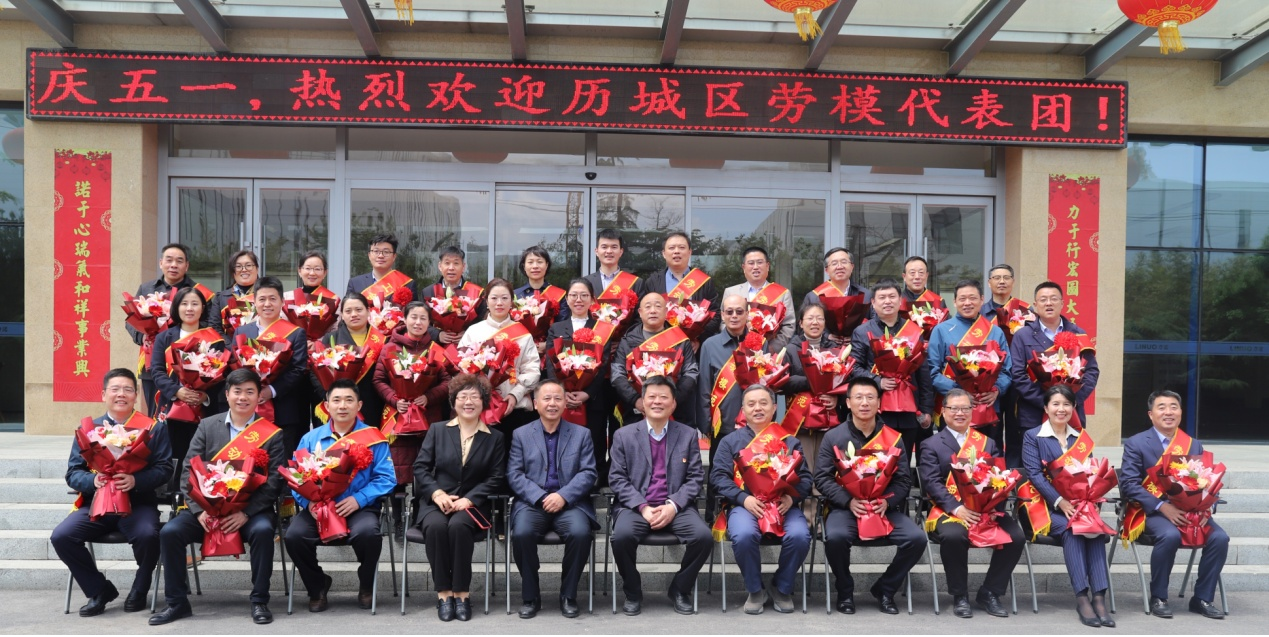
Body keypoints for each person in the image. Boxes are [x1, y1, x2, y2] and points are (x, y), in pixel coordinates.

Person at [150, 368, 286, 626]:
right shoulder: (207, 426)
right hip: (206, 510)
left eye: (250, 392)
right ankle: (177, 603)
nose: (243, 397)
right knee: (170, 532)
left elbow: (274, 483)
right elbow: (188, 471)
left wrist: (245, 513)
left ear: (259, 397)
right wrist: (199, 510)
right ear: (227, 395)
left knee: (263, 531)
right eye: (237, 391)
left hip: (249, 512)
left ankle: (259, 600)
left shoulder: (272, 433)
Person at [52, 368, 173, 617]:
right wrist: (93, 480)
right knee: (62, 536)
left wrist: (135, 480)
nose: (121, 394)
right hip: (96, 504)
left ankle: (141, 587)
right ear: (103, 394)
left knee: (148, 535)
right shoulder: (89, 429)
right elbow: (73, 473)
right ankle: (99, 590)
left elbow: (164, 469)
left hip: (138, 504)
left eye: (128, 389)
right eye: (115, 389)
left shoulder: (153, 428)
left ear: (136, 395)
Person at [814, 377, 924, 615]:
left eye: (870, 397)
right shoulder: (834, 437)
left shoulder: (894, 437)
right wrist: (848, 501)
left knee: (916, 539)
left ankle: (885, 589)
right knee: (835, 537)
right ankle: (845, 590)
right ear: (848, 403)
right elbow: (821, 478)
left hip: (883, 507)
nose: (864, 403)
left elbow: (903, 480)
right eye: (859, 397)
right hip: (846, 507)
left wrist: (887, 501)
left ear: (879, 403)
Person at [285, 380, 395, 613]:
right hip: (318, 507)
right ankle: (317, 586)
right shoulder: (310, 439)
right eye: (336, 400)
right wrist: (308, 502)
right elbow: (295, 478)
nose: (342, 405)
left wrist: (359, 499)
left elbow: (386, 478)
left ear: (359, 405)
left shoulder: (374, 437)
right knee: (294, 536)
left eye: (348, 400)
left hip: (358, 507)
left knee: (368, 534)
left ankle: (366, 584)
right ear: (326, 406)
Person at [608, 377, 711, 617]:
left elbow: (695, 477)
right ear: (642, 402)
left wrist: (673, 505)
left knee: (703, 537)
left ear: (673, 404)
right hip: (636, 507)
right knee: (621, 537)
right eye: (652, 397)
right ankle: (633, 592)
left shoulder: (687, 434)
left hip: (676, 507)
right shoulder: (623, 435)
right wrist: (642, 507)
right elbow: (617, 478)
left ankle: (680, 589)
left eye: (664, 397)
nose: (657, 402)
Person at [1120, 390, 1228, 620]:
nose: (1168, 412)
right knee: (1169, 536)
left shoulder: (1193, 444)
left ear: (1180, 412)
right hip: (1151, 511)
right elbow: (1128, 484)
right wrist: (1162, 507)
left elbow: (1207, 480)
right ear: (1151, 414)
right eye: (1161, 407)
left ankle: (1202, 598)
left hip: (1191, 511)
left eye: (1173, 407)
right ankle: (1159, 597)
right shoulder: (1136, 443)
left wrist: (1206, 507)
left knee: (1220, 538)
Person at [918, 388, 1024, 620]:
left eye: (965, 408)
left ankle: (990, 592)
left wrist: (993, 508)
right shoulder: (931, 444)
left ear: (972, 410)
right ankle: (960, 595)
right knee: (954, 536)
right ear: (943, 411)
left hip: (986, 509)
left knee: (1016, 536)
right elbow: (931, 483)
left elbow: (999, 478)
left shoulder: (988, 443)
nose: (960, 413)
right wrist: (957, 508)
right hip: (949, 510)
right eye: (954, 408)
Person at [710, 385, 813, 615]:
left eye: (763, 403)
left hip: (783, 505)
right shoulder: (729, 442)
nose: (758, 408)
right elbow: (718, 477)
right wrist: (743, 498)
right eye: (751, 404)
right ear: (743, 410)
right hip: (745, 506)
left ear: (774, 408)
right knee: (744, 535)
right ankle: (755, 589)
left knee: (799, 535)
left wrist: (791, 497)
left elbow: (806, 478)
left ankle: (781, 587)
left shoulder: (790, 441)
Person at [413, 374, 507, 623]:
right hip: (437, 501)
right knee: (435, 527)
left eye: (474, 396)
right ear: (453, 402)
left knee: (458, 527)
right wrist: (437, 493)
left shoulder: (495, 437)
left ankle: (462, 594)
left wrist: (470, 499)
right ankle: (444, 594)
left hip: (472, 505)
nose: (468, 402)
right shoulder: (437, 430)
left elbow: (497, 476)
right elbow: (420, 467)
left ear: (483, 402)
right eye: (462, 396)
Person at [1020, 385, 1114, 628]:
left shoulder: (1080, 438)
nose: (1061, 409)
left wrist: (1092, 501)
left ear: (1073, 407)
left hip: (1078, 505)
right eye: (1055, 404)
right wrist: (1059, 501)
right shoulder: (1033, 436)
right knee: (1073, 530)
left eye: (1066, 404)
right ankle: (1082, 598)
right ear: (1046, 408)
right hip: (1044, 507)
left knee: (1094, 530)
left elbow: (1091, 473)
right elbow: (1035, 475)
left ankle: (1099, 597)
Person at [507, 380, 598, 619]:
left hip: (570, 503)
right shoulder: (521, 434)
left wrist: (563, 496)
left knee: (581, 533)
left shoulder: (581, 434)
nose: (552, 403)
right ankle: (531, 596)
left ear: (565, 403)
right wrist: (539, 497)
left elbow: (589, 473)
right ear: (536, 404)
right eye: (546, 399)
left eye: (558, 398)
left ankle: (568, 595)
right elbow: (514, 474)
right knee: (522, 534)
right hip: (532, 503)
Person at [1008, 281, 1099, 467]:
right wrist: (1046, 403)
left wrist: (1070, 402)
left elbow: (1091, 371)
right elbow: (1018, 374)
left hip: (1070, 414)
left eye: (1053, 299)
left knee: (1074, 467)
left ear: (1062, 303)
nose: (1048, 303)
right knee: (1035, 468)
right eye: (1043, 299)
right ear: (1035, 305)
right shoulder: (1022, 335)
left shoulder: (1078, 333)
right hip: (1033, 413)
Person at [149, 286, 226, 491]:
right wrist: (177, 391)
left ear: (203, 308)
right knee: (174, 453)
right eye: (184, 304)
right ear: (176, 307)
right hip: (172, 409)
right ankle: (175, 497)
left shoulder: (215, 339)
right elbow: (157, 371)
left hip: (205, 410)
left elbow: (223, 374)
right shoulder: (164, 337)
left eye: (195, 304)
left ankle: (200, 495)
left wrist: (204, 395)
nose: (189, 308)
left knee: (202, 455)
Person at [849, 278, 934, 458]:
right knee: (876, 459)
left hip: (909, 408)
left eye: (892, 296)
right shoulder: (862, 332)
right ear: (873, 303)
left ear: (900, 300)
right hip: (876, 408)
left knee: (904, 460)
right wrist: (878, 381)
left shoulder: (914, 330)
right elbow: (854, 368)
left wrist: (926, 409)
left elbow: (923, 373)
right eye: (882, 297)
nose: (887, 301)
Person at [544, 278, 617, 484]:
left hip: (593, 397)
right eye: (574, 295)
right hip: (562, 399)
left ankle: (596, 480)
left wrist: (587, 393)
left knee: (595, 439)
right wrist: (561, 392)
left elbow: (603, 365)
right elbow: (551, 362)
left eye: (584, 295)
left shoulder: (603, 328)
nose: (578, 299)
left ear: (592, 300)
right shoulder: (556, 328)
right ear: (567, 299)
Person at [128, 243, 212, 416]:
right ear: (161, 263)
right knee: (155, 412)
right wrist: (143, 336)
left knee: (191, 412)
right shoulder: (146, 289)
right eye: (169, 260)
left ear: (186, 266)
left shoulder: (199, 292)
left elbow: (208, 324)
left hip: (190, 363)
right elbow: (130, 320)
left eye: (179, 261)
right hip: (152, 361)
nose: (174, 265)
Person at [374, 301, 452, 485]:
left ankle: (425, 502)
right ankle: (398, 502)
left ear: (429, 323)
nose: (418, 322)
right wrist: (395, 400)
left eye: (423, 318)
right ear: (404, 319)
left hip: (428, 415)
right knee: (399, 465)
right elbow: (378, 380)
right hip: (398, 415)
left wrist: (428, 397)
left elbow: (448, 381)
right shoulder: (389, 348)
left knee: (428, 466)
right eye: (413, 317)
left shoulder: (435, 349)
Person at [928, 280, 1012, 446]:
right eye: (962, 299)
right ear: (954, 302)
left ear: (982, 299)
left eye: (972, 298)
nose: (967, 303)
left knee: (988, 455)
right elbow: (932, 371)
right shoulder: (941, 330)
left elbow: (1007, 370)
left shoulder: (995, 331)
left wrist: (997, 390)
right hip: (954, 409)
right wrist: (959, 393)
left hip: (988, 406)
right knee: (952, 456)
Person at [234, 276, 310, 457]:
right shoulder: (242, 332)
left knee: (281, 461)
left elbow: (298, 369)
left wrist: (271, 390)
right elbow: (235, 366)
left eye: (273, 299)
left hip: (283, 409)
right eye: (262, 299)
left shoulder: (296, 333)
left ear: (282, 302)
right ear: (254, 302)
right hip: (247, 408)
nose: (267, 304)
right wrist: (251, 390)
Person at [459, 278, 541, 433]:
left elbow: (532, 369)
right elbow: (461, 367)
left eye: (504, 298)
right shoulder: (474, 331)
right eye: (494, 298)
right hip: (481, 408)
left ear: (511, 302)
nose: (499, 303)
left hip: (516, 408)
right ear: (486, 301)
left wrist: (515, 394)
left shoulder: (523, 334)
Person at [611, 292, 699, 427]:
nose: (653, 310)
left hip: (676, 411)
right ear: (640, 312)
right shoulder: (628, 341)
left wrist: (673, 399)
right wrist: (636, 399)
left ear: (666, 312)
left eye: (658, 306)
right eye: (648, 307)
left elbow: (691, 373)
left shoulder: (680, 340)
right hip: (636, 411)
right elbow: (617, 374)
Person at [311, 292, 387, 430]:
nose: (354, 314)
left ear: (368, 311)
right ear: (342, 315)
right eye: (348, 311)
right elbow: (316, 371)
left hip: (371, 404)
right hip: (338, 404)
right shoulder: (331, 338)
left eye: (358, 310)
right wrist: (328, 394)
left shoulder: (383, 340)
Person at [642, 232, 721, 348]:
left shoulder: (704, 282)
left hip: (694, 347)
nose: (676, 251)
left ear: (690, 252)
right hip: (661, 345)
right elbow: (644, 314)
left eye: (681, 247)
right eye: (671, 248)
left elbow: (715, 315)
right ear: (664, 253)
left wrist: (698, 339)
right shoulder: (653, 282)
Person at [697, 294, 753, 442]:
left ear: (747, 314)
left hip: (753, 424)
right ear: (722, 315)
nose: (734, 316)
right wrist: (705, 424)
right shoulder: (709, 345)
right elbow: (704, 387)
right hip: (721, 426)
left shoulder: (759, 343)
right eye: (729, 312)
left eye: (739, 312)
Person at [721, 246, 796, 352]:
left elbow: (789, 326)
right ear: (744, 267)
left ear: (767, 266)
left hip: (769, 353)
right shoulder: (731, 292)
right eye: (751, 263)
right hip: (736, 350)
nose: (755, 267)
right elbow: (724, 322)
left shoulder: (783, 294)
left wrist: (770, 348)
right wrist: (736, 345)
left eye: (760, 262)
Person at [802, 247, 872, 346]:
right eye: (834, 263)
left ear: (852, 267)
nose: (839, 266)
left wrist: (857, 335)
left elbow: (875, 324)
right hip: (824, 349)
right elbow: (803, 327)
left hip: (858, 349)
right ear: (827, 270)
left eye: (844, 262)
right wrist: (826, 336)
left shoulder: (866, 295)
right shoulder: (814, 296)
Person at [423, 245, 486, 346]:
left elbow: (483, 322)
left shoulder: (476, 293)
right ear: (440, 266)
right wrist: (438, 334)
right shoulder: (428, 292)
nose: (451, 268)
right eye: (447, 263)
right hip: (437, 347)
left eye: (456, 263)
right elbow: (422, 320)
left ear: (463, 267)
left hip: (467, 347)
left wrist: (468, 333)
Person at [346, 233, 420, 315]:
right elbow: (348, 313)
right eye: (376, 251)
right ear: (369, 255)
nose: (380, 256)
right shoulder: (355, 283)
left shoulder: (408, 284)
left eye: (386, 252)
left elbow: (413, 315)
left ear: (394, 256)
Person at [583, 228, 647, 316]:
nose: (609, 251)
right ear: (596, 251)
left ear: (621, 252)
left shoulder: (636, 283)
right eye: (604, 247)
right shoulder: (586, 282)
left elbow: (640, 317)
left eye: (614, 247)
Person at [512, 245, 568, 341]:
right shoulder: (515, 295)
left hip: (550, 346)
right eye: (530, 262)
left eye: (540, 262)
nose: (535, 266)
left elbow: (563, 325)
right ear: (524, 266)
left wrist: (547, 344)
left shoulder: (560, 295)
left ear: (547, 265)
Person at [208, 249, 260, 340]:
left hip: (262, 347)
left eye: (248, 265)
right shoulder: (221, 298)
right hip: (229, 347)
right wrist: (232, 346)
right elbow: (214, 327)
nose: (244, 270)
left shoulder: (267, 296)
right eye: (238, 266)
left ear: (257, 269)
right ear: (233, 272)